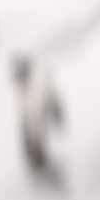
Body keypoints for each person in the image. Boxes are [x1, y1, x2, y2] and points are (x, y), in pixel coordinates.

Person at [14, 57, 64, 189]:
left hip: (39, 120)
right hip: (30, 121)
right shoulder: (24, 82)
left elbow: (52, 98)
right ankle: (40, 174)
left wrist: (57, 115)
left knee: (37, 150)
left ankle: (52, 180)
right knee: (31, 151)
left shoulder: (39, 81)